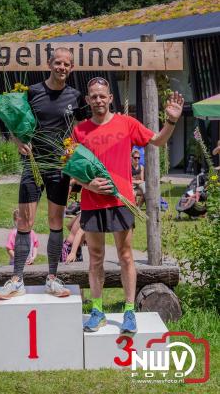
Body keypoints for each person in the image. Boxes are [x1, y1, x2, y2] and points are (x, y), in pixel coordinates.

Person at [72, 77, 184, 333]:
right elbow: (74, 171)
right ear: (88, 100)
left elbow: (157, 141)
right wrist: (88, 186)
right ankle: (97, 310)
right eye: (94, 96)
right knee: (96, 258)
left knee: (125, 256)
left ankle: (129, 311)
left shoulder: (127, 123)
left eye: (103, 95)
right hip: (91, 202)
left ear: (110, 98)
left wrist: (172, 120)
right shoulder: (80, 131)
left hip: (121, 201)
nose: (98, 100)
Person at [0, 47, 86, 300]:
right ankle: (17, 280)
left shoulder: (75, 96)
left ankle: (53, 278)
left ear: (71, 68)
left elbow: (81, 129)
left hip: (59, 167)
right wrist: (17, 140)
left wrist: (76, 153)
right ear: (49, 64)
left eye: (66, 64)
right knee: (25, 222)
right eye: (58, 63)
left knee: (56, 223)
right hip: (33, 164)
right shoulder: (33, 91)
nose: (62, 68)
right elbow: (13, 122)